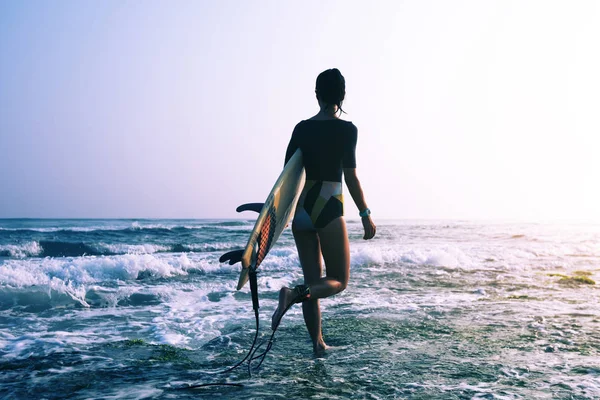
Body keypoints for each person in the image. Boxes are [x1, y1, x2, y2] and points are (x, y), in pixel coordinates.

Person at [271, 68, 376, 355]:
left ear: (316, 94)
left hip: (303, 208)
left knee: (313, 281)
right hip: (328, 204)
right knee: (338, 280)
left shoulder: (301, 128)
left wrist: (277, 216)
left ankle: (317, 345)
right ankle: (292, 294)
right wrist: (365, 213)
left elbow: (287, 178)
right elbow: (350, 177)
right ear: (342, 96)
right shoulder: (347, 129)